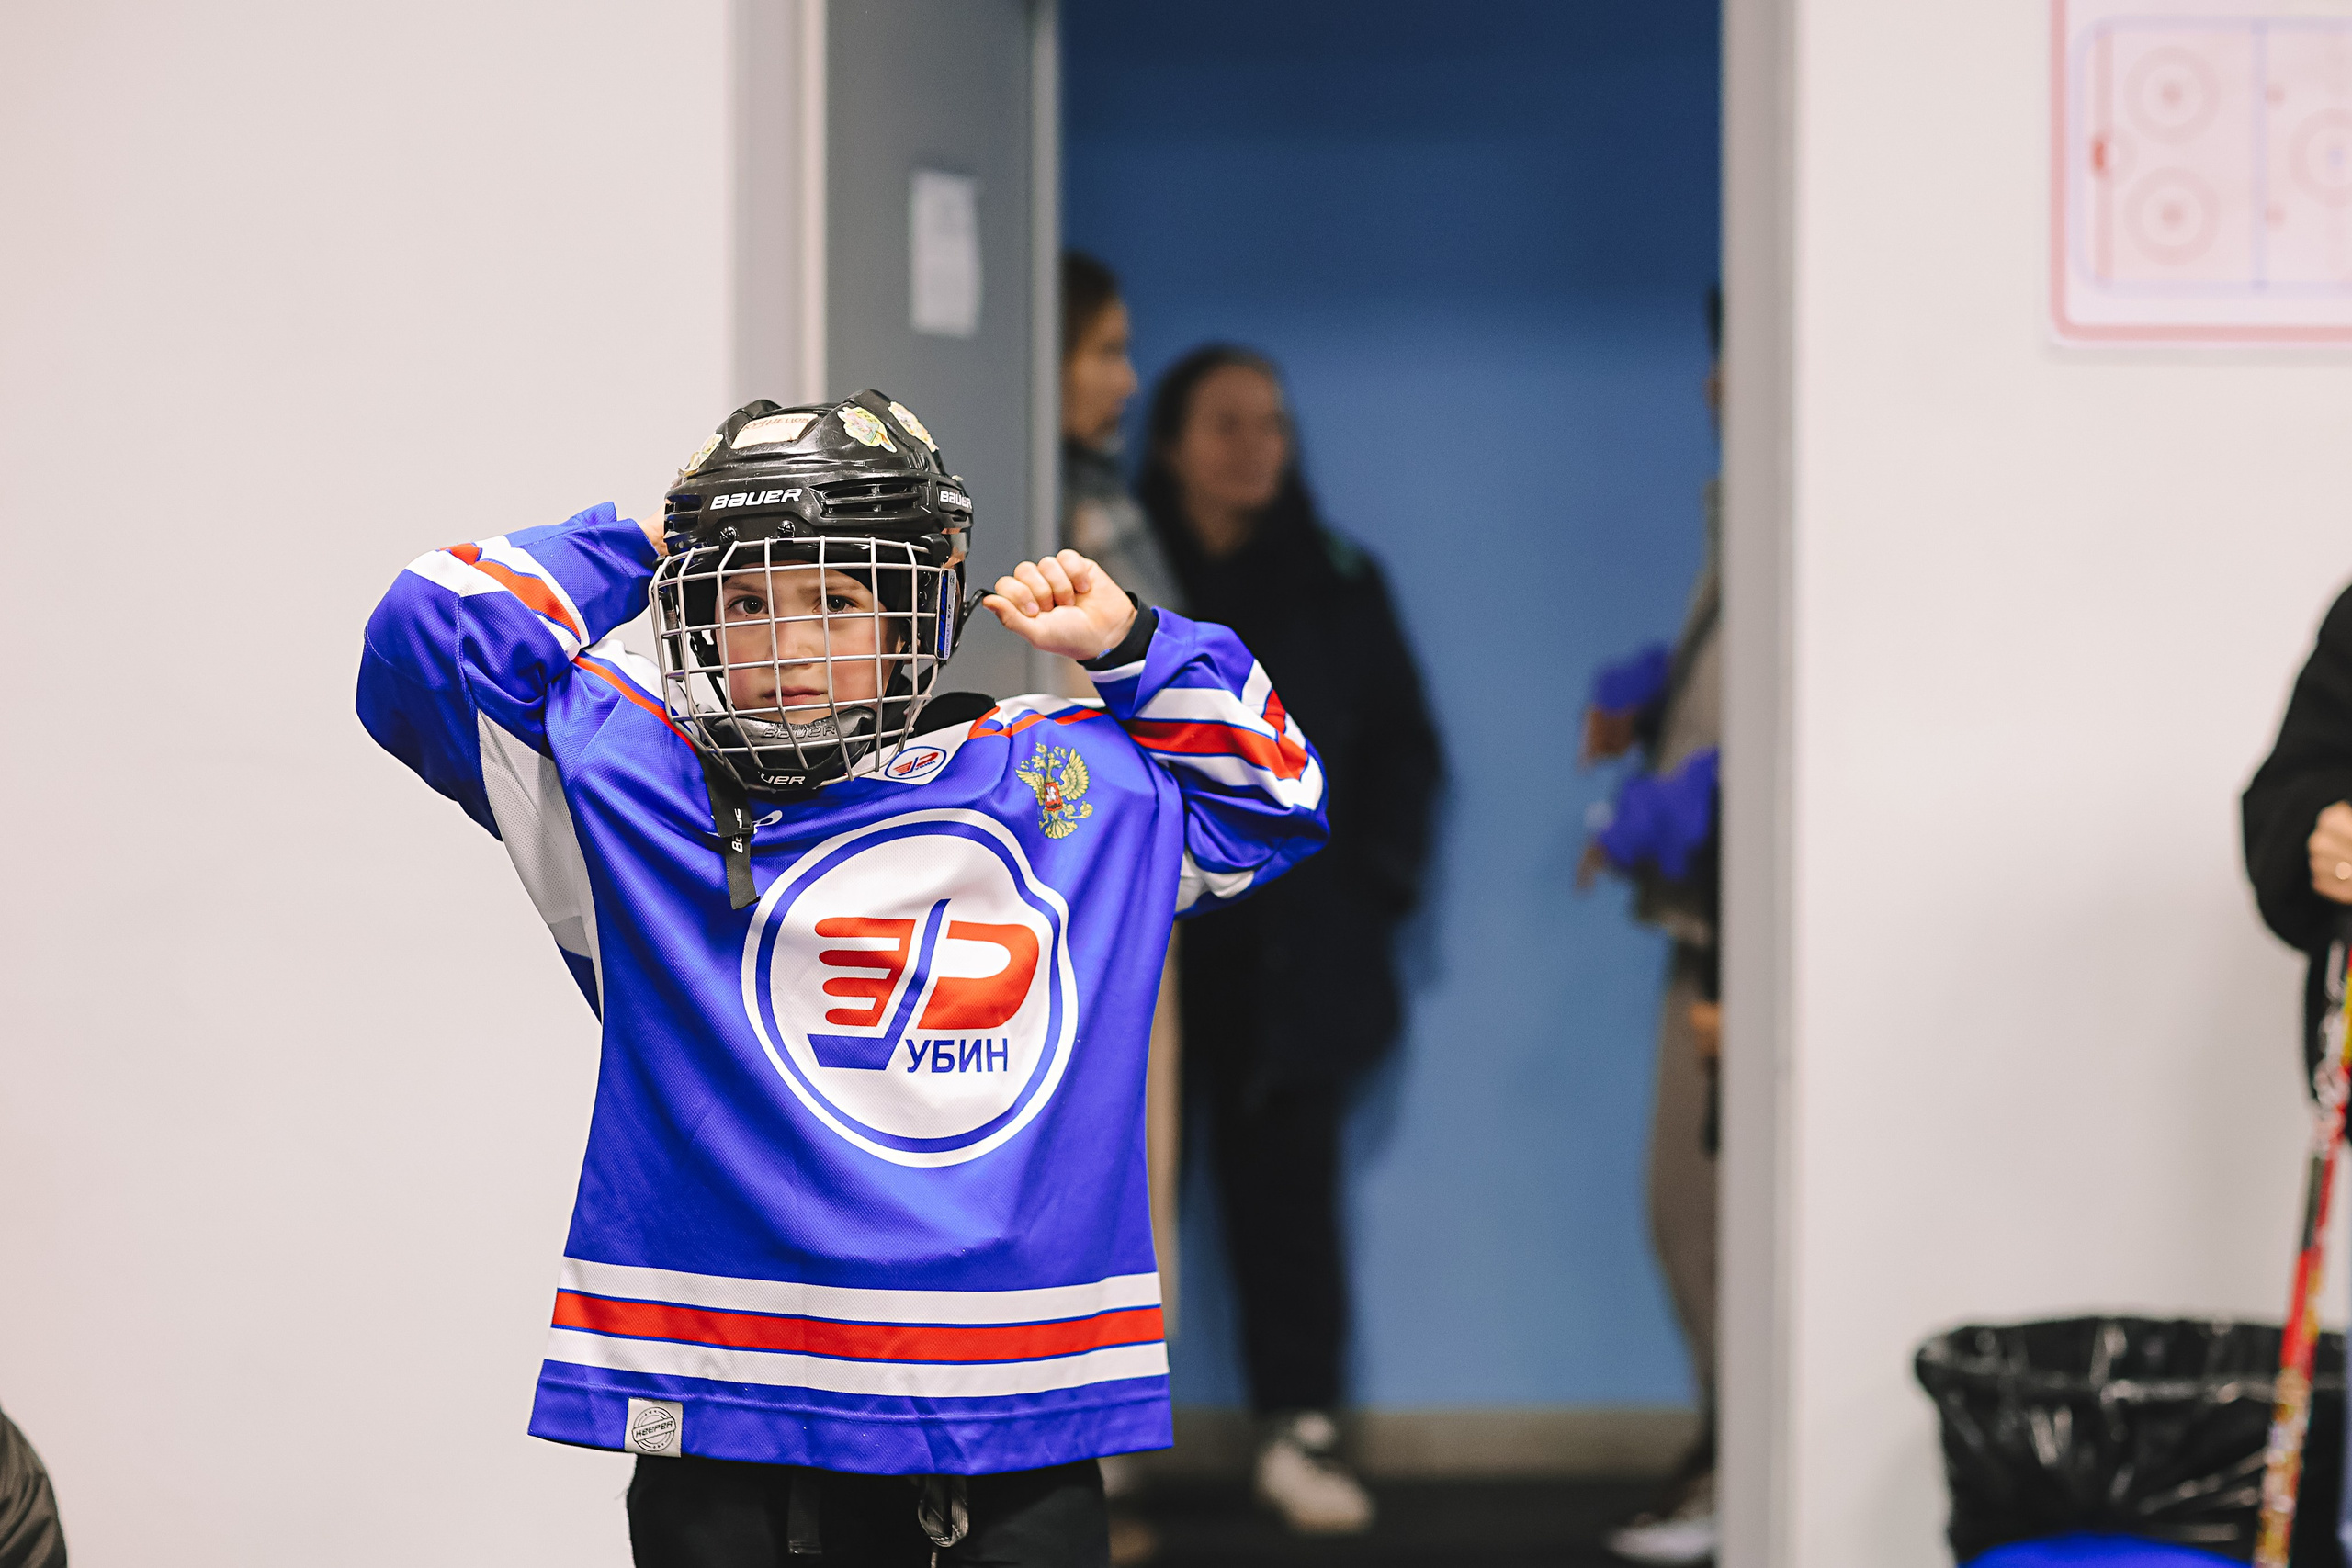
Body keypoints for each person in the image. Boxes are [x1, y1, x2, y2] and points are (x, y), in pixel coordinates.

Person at [356, 390, 1329, 1566]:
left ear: (926, 597)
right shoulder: (627, 787)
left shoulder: (1060, 780)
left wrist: (1133, 645)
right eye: (743, 600)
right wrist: (656, 543)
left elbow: (1274, 795)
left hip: (1003, 1419)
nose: (786, 645)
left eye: (837, 597)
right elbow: (424, 631)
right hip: (728, 1408)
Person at [1136, 347, 1442, 1536]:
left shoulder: (1338, 576)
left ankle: (1298, 1429)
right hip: (1150, 939)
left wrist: (1376, 889)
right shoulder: (1127, 567)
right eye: (1225, 422)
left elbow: (1407, 749)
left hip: (1296, 950)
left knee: (1287, 1201)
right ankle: (1096, 1440)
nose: (1255, 444)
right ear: (1172, 444)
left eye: (1271, 422)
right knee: (1124, 1184)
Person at [1580, 291, 1724, 1568]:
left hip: (1743, 940)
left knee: (1707, 1211)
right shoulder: (1737, 522)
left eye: (1731, 360)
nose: (1716, 386)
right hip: (1706, 926)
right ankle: (1731, 1452)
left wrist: (1647, 821)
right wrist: (1647, 693)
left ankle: (1745, 1466)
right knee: (1682, 1208)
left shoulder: (1799, 508)